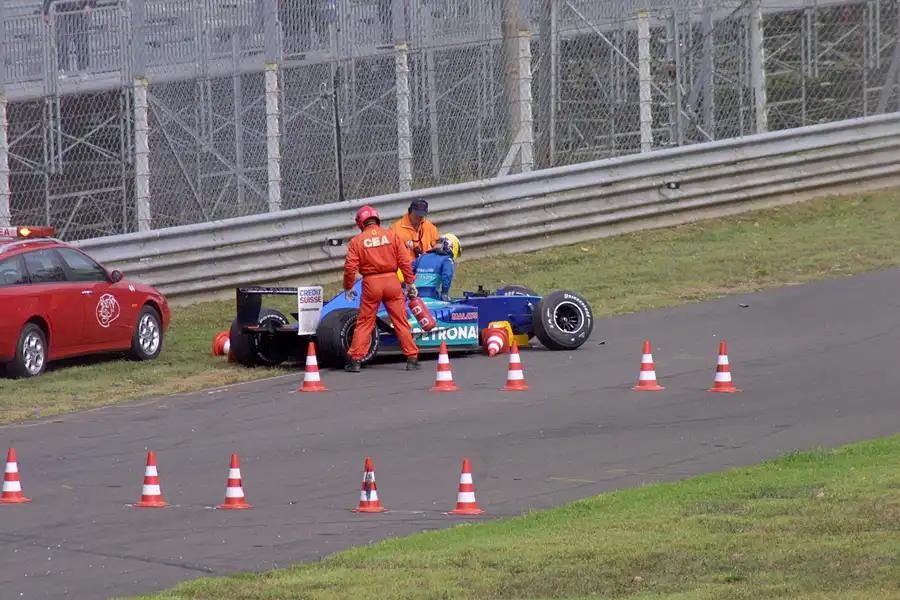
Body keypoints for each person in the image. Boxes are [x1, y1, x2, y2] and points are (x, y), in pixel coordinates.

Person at [343, 205, 420, 373]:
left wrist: (348, 287)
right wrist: (410, 282)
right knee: (401, 321)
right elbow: (404, 261)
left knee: (364, 323)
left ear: (360, 223)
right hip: (392, 281)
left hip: (371, 283)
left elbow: (350, 268)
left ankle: (355, 360)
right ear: (377, 219)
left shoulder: (356, 242)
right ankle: (412, 358)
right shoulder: (391, 236)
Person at [411, 234, 461, 301]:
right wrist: (445, 293)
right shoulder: (447, 260)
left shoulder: (421, 257)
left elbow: (407, 271)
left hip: (415, 297)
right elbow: (447, 276)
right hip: (432, 297)